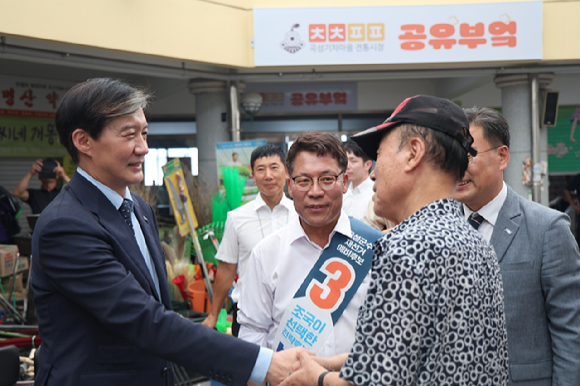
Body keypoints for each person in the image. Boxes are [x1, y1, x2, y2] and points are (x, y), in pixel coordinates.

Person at [30, 78, 308, 386]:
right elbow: (144, 320)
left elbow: (157, 312)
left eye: (145, 133)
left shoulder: (139, 208)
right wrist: (261, 363)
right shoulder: (66, 225)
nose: (144, 148)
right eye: (129, 135)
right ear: (83, 141)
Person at [281, 95, 509, 386]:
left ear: (413, 153)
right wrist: (327, 363)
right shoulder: (474, 242)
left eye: (379, 154)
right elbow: (409, 355)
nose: (373, 173)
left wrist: (317, 378)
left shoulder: (406, 248)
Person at [455, 106, 580, 386]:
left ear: (502, 157)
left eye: (469, 154)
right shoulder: (438, 228)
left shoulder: (547, 228)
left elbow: (571, 333)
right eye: (451, 154)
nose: (458, 166)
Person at [237, 131, 384, 358]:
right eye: (304, 181)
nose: (315, 192)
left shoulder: (377, 248)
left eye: (326, 179)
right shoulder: (266, 254)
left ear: (344, 182)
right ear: (290, 186)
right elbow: (253, 332)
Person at [202, 144, 297, 335]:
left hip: (293, 315)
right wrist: (213, 314)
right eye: (261, 169)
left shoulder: (301, 214)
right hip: (248, 315)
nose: (268, 175)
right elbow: (227, 268)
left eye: (274, 167)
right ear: (252, 175)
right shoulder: (237, 218)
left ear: (286, 172)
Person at [342, 140, 374, 221]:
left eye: (353, 161)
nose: (347, 166)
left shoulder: (375, 194)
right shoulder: (343, 193)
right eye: (345, 161)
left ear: (367, 165)